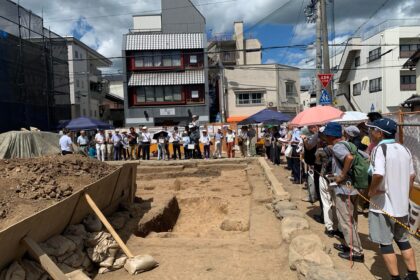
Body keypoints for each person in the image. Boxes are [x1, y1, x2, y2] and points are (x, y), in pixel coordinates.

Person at [367, 118, 418, 280]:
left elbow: (378, 174)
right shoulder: (404, 149)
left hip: (383, 204)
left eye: (372, 129)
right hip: (402, 206)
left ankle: (395, 277)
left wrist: (372, 191)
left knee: (385, 243)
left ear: (380, 133)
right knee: (403, 240)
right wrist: (404, 193)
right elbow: (412, 176)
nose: (370, 132)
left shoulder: (380, 149)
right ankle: (412, 275)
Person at [323, 122, 364, 262]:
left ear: (330, 136)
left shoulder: (338, 146)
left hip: (344, 189)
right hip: (352, 188)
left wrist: (341, 175)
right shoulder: (348, 144)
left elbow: (349, 158)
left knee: (346, 220)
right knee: (352, 219)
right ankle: (349, 245)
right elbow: (363, 156)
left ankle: (357, 252)